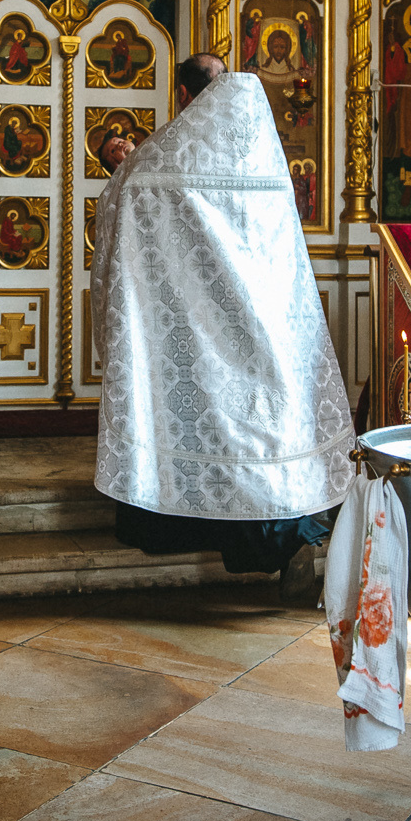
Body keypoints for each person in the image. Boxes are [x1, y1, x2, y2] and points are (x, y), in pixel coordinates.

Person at [93, 53, 354, 602]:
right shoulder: (263, 155)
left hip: (190, 332)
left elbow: (124, 200)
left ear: (185, 99)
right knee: (264, 432)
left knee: (202, 426)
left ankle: (176, 524)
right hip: (268, 325)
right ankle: (291, 539)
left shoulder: (159, 161)